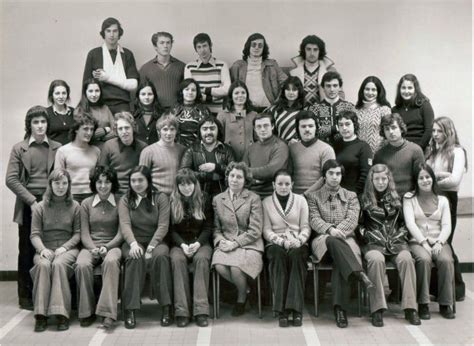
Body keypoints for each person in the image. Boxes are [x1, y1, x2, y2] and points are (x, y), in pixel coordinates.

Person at [5, 106, 62, 311]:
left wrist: (48, 199)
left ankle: (48, 293)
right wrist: (32, 201)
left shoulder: (57, 147)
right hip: (29, 203)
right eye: (36, 122)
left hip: (51, 202)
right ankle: (26, 296)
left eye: (43, 122)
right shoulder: (19, 148)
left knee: (50, 247)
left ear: (48, 124)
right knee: (27, 249)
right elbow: (10, 179)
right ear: (29, 125)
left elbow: (61, 177)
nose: (40, 126)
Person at [306, 160, 374, 328]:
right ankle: (358, 272)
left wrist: (338, 232)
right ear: (324, 176)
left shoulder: (351, 196)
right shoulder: (313, 197)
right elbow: (314, 219)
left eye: (338, 174)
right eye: (331, 173)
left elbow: (352, 220)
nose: (335, 177)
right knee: (332, 241)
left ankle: (340, 310)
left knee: (340, 261)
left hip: (346, 239)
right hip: (323, 240)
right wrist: (330, 230)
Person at [359, 164, 419, 327]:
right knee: (376, 260)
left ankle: (410, 308)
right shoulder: (363, 199)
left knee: (407, 259)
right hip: (373, 244)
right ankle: (377, 309)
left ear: (389, 179)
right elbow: (359, 226)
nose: (380, 182)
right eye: (377, 179)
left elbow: (404, 225)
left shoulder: (397, 198)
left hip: (396, 242)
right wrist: (371, 236)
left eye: (384, 178)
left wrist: (397, 236)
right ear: (371, 180)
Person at [119, 165, 172, 328]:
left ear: (148, 180)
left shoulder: (160, 197)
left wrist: (151, 247)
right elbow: (125, 225)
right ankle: (130, 309)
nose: (137, 183)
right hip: (134, 241)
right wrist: (134, 244)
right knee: (135, 258)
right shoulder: (125, 199)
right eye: (133, 180)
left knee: (161, 257)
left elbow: (163, 225)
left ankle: (166, 307)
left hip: (156, 241)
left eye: (140, 180)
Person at [30, 169, 81, 332]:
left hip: (68, 249)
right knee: (43, 266)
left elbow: (78, 234)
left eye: (64, 183)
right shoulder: (40, 207)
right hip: (45, 248)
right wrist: (43, 249)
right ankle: (41, 315)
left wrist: (65, 247)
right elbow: (35, 234)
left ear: (69, 185)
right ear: (50, 185)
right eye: (57, 183)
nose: (61, 187)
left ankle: (61, 314)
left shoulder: (75, 206)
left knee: (58, 265)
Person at [403, 164, 455, 319]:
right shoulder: (409, 198)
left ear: (432, 178)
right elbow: (410, 224)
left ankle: (445, 303)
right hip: (417, 242)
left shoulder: (443, 200)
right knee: (424, 260)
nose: (425, 180)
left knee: (446, 260)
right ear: (416, 180)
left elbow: (447, 226)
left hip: (439, 240)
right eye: (421, 178)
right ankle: (423, 304)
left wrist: (439, 243)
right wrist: (424, 243)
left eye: (428, 177)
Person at [212, 162, 264, 316]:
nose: (234, 180)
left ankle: (241, 299)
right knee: (219, 265)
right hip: (225, 242)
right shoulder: (218, 199)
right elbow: (216, 228)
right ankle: (247, 289)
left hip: (249, 244)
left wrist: (235, 243)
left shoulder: (253, 198)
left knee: (236, 267)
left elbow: (255, 230)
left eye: (239, 177)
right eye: (232, 176)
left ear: (245, 180)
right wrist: (220, 241)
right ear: (227, 177)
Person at [75, 166, 122, 329]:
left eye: (107, 182)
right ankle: (86, 311)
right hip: (90, 246)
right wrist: (92, 247)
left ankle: (108, 314)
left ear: (113, 183)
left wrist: (107, 247)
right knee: (81, 264)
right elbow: (84, 232)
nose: (103, 186)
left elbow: (121, 233)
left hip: (113, 246)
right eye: (99, 182)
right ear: (94, 184)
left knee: (111, 262)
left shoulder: (120, 201)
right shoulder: (86, 204)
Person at [426, 116, 468, 301]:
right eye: (433, 131)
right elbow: (424, 175)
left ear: (448, 131)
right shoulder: (432, 152)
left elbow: (454, 180)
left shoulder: (457, 151)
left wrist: (434, 179)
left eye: (439, 131)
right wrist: (440, 176)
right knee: (433, 242)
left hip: (448, 199)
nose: (435, 134)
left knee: (445, 244)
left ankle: (457, 289)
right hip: (431, 199)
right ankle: (437, 289)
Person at [262, 170, 310, 327]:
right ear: (273, 185)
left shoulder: (301, 200)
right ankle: (281, 310)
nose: (283, 187)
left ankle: (296, 310)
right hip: (276, 243)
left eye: (287, 184)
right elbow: (266, 230)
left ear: (292, 185)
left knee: (297, 256)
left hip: (297, 242)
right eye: (280, 184)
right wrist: (280, 241)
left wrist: (300, 240)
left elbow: (305, 226)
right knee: (277, 256)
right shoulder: (266, 202)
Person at [169, 169, 213, 327]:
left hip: (200, 242)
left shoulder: (204, 199)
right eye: (182, 184)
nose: (186, 187)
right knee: (177, 260)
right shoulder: (172, 200)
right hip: (178, 243)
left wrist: (198, 244)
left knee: (201, 260)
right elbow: (171, 230)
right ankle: (182, 311)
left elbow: (208, 227)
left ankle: (201, 310)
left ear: (195, 184)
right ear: (177, 186)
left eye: (189, 184)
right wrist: (182, 244)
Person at [82, 17, 138, 113]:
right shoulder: (94, 54)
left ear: (119, 33)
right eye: (108, 31)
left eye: (115, 31)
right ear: (103, 33)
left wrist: (107, 78)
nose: (111, 35)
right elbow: (86, 84)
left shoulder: (127, 54)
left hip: (122, 103)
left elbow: (133, 84)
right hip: (100, 103)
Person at [180, 114, 235, 196]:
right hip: (198, 196)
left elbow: (234, 172)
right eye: (205, 129)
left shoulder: (227, 150)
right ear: (200, 131)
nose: (209, 132)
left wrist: (216, 167)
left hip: (224, 196)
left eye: (212, 128)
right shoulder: (191, 150)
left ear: (218, 130)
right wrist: (209, 176)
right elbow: (183, 173)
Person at [230, 33, 287, 112]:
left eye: (260, 46)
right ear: (248, 46)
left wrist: (276, 104)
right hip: (246, 110)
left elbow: (286, 83)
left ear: (264, 49)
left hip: (268, 109)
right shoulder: (238, 66)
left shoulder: (272, 65)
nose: (257, 48)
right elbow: (230, 88)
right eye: (254, 45)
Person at [373, 113, 425, 198]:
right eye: (387, 129)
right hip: (388, 201)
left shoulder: (415, 150)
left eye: (394, 127)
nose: (391, 132)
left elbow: (421, 179)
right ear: (384, 132)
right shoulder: (379, 155)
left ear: (401, 129)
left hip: (410, 199)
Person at [54, 112, 101, 203]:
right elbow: (58, 178)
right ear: (76, 130)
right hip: (70, 196)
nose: (89, 132)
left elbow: (98, 177)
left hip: (91, 196)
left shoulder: (96, 151)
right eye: (85, 129)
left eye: (91, 129)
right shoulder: (63, 151)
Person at [99, 112, 147, 196]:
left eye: (127, 128)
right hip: (114, 193)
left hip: (136, 192)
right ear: (116, 131)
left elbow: (146, 176)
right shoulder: (108, 146)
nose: (124, 131)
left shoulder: (143, 147)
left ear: (133, 128)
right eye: (120, 129)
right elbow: (102, 172)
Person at [244, 113, 289, 198]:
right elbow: (242, 170)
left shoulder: (280, 146)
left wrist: (249, 173)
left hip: (272, 195)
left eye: (266, 126)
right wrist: (253, 177)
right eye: (259, 126)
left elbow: (272, 171)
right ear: (254, 129)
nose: (262, 129)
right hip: (251, 194)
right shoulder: (251, 148)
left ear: (272, 126)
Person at [289, 110, 335, 194]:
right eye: (303, 126)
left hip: (318, 195)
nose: (307, 129)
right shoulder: (291, 148)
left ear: (316, 127)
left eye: (310, 126)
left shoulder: (326, 149)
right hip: (294, 196)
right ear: (298, 129)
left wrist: (305, 195)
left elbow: (327, 178)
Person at [139, 114, 186, 195]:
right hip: (157, 197)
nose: (169, 133)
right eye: (165, 129)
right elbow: (142, 178)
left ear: (176, 131)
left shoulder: (182, 150)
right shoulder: (148, 151)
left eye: (172, 129)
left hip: (178, 197)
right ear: (158, 131)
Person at [289, 34, 342, 106]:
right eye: (308, 49)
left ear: (320, 51)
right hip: (300, 112)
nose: (312, 53)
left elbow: (340, 94)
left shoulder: (330, 70)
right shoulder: (293, 71)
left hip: (323, 111)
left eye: (315, 49)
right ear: (304, 50)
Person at [184, 33, 231, 114]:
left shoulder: (222, 65)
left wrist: (204, 90)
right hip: (198, 112)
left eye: (205, 45)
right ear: (195, 49)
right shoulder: (189, 67)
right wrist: (213, 96)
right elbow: (189, 93)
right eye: (199, 47)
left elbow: (227, 89)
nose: (202, 50)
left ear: (210, 45)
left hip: (219, 112)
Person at [139, 31, 185, 110]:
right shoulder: (145, 68)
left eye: (168, 43)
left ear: (171, 45)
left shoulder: (182, 66)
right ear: (155, 46)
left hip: (177, 111)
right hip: (154, 112)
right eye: (162, 43)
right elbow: (140, 95)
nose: (165, 46)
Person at [308, 71, 355, 146]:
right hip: (322, 150)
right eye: (328, 86)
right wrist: (335, 128)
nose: (332, 89)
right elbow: (313, 131)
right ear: (323, 87)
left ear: (340, 87)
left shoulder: (349, 107)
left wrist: (326, 129)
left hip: (346, 148)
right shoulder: (314, 108)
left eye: (335, 85)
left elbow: (354, 129)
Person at [333, 110, 373, 195]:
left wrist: (354, 194)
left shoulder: (363, 147)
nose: (344, 128)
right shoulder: (335, 144)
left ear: (354, 125)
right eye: (341, 125)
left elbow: (366, 175)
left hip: (354, 194)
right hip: (335, 193)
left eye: (347, 124)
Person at [216, 81, 257, 161]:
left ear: (247, 95)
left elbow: (257, 138)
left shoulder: (253, 115)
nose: (240, 95)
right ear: (231, 95)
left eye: (243, 92)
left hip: (249, 157)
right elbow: (218, 138)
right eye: (236, 93)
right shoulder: (222, 115)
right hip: (229, 158)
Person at [392, 74, 434, 150]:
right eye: (403, 88)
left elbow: (429, 130)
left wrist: (417, 149)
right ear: (399, 89)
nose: (406, 91)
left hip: (419, 148)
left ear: (415, 89)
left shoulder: (424, 106)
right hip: (400, 149)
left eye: (410, 88)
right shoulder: (395, 110)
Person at [75, 78, 116, 149]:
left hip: (108, 146)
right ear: (85, 92)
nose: (94, 94)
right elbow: (86, 135)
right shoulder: (79, 110)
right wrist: (105, 130)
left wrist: (101, 138)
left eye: (97, 91)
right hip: (88, 149)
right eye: (90, 91)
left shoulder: (105, 108)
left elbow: (115, 130)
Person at [355, 76, 391, 153]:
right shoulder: (355, 110)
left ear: (379, 92)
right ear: (362, 90)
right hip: (359, 153)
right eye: (367, 89)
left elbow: (388, 134)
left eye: (373, 90)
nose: (370, 93)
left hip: (379, 153)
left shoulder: (384, 110)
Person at [170, 78, 210, 147]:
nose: (190, 92)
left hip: (197, 148)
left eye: (193, 90)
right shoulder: (174, 109)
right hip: (176, 146)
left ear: (197, 93)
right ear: (181, 91)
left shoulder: (203, 110)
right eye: (187, 89)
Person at [266, 76, 305, 143]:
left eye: (294, 90)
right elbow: (269, 133)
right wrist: (286, 142)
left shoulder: (305, 109)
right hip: (280, 147)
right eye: (288, 89)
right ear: (284, 91)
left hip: (300, 148)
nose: (291, 93)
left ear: (299, 91)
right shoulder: (274, 110)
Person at [133, 78, 164, 145]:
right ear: (138, 96)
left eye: (150, 94)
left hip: (156, 152)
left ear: (154, 96)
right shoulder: (132, 116)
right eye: (143, 94)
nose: (146, 97)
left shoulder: (162, 115)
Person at [45, 80, 75, 145]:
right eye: (57, 93)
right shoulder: (46, 113)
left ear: (67, 94)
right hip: (53, 152)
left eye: (64, 93)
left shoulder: (74, 112)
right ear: (52, 95)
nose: (61, 97)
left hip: (71, 152)